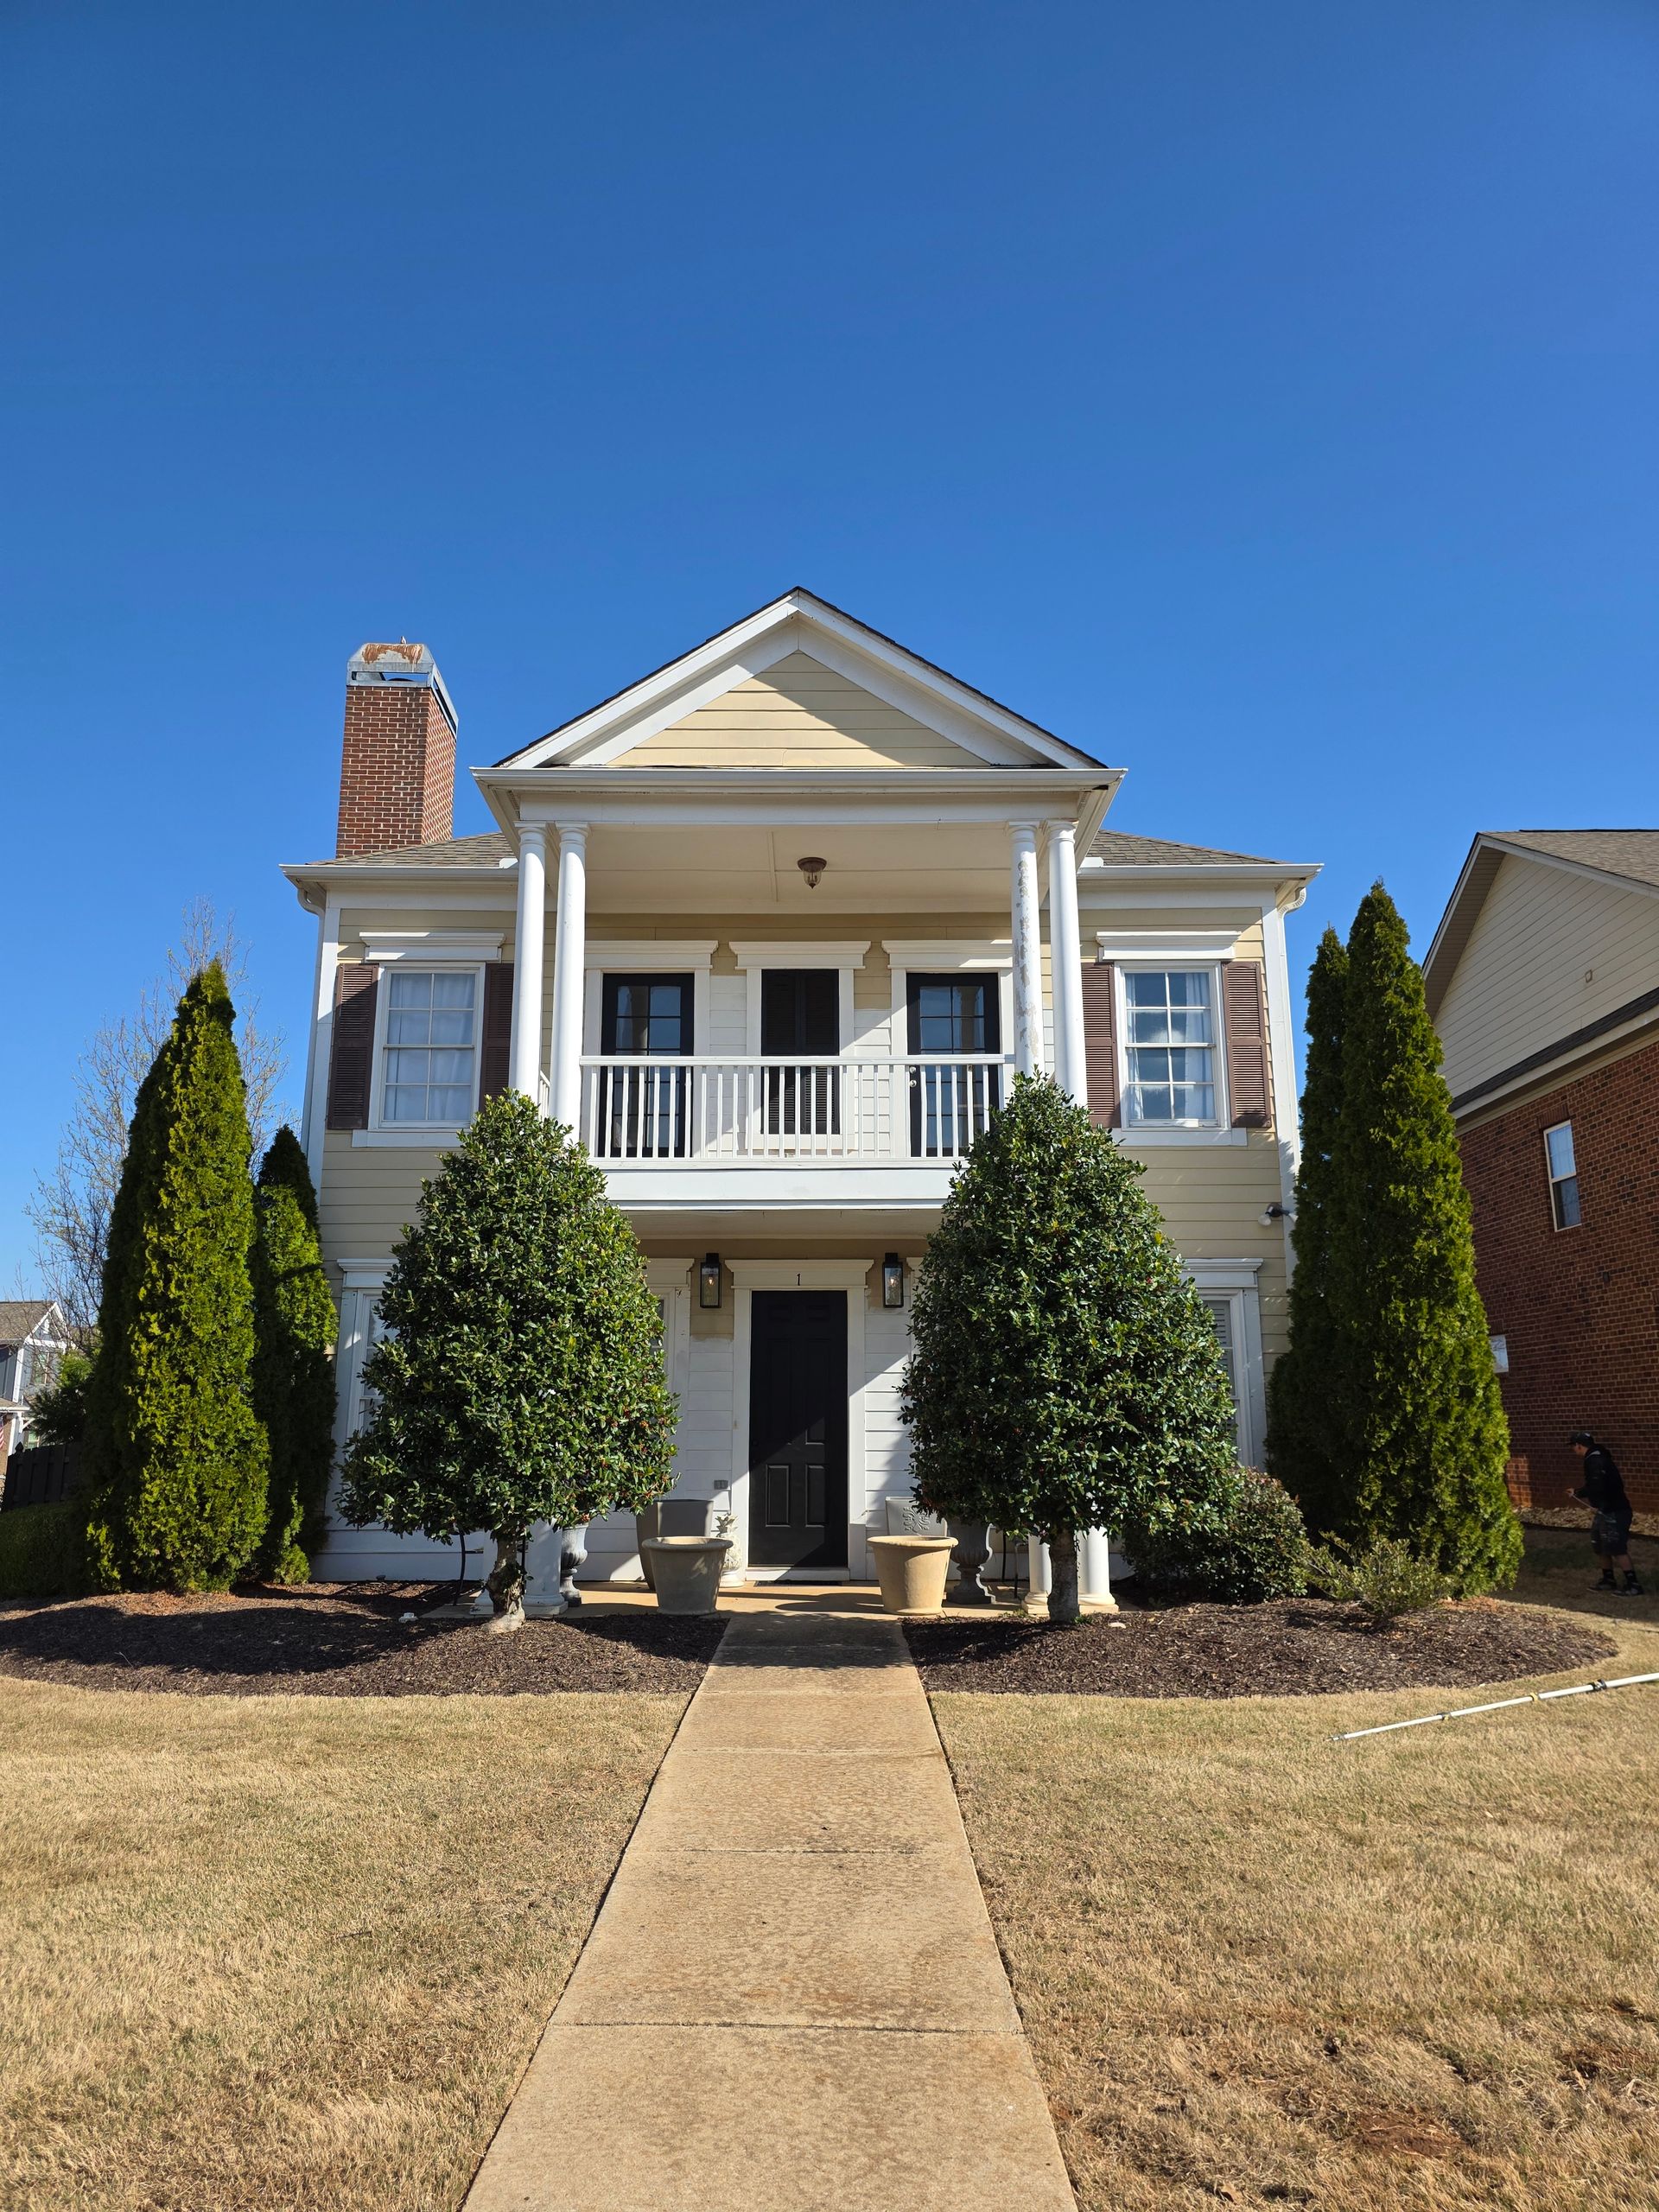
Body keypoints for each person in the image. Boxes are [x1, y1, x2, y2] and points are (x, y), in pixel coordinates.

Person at [1570, 1431, 1643, 1595]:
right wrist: (1579, 1492)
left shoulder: (1595, 1460)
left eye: (1573, 1447)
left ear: (1579, 1446)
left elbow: (1598, 1485)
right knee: (1600, 1544)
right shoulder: (1595, 1458)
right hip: (1605, 1509)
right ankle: (1608, 1580)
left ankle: (1633, 1585)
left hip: (1614, 1510)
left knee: (1616, 1546)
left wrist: (1583, 1494)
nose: (1574, 1450)